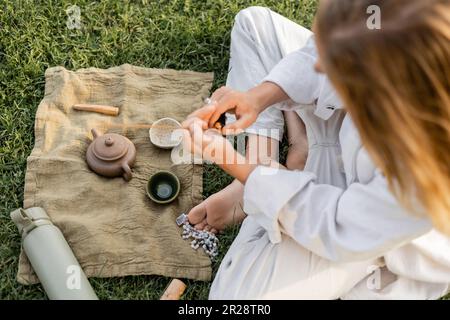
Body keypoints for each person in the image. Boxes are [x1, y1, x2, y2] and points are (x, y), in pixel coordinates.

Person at [182, 0, 450, 299]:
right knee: (254, 24)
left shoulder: (421, 176)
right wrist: (257, 98)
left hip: (365, 234)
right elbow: (315, 57)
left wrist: (232, 161)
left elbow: (336, 225)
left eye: (334, 63)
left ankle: (266, 180)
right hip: (349, 128)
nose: (319, 67)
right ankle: (271, 162)